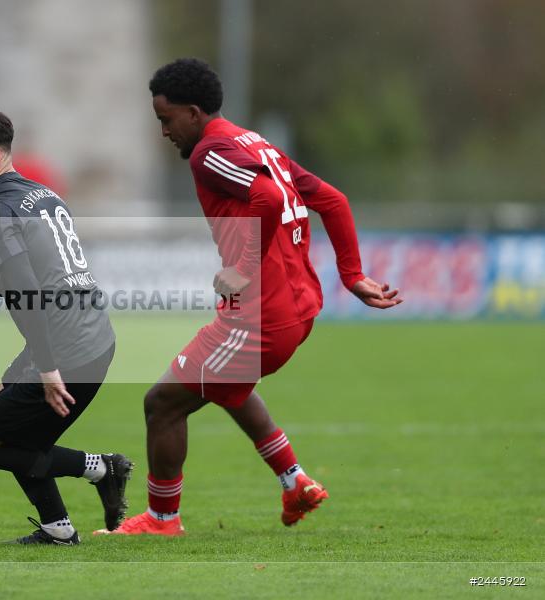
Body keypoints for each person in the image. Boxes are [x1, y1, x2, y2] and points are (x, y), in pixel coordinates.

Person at [98, 58, 402, 536]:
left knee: (162, 404)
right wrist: (352, 275)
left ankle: (161, 520)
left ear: (193, 113)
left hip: (261, 314)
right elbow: (333, 200)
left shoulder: (209, 152)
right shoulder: (255, 142)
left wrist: (242, 268)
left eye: (165, 119)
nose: (163, 131)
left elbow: (270, 199)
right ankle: (294, 481)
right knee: (229, 388)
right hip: (296, 308)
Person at [0, 102, 131, 545]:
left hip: (66, 345)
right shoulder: (41, 195)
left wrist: (46, 365)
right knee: (14, 425)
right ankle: (58, 528)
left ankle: (101, 468)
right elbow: (26, 280)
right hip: (93, 336)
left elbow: (26, 292)